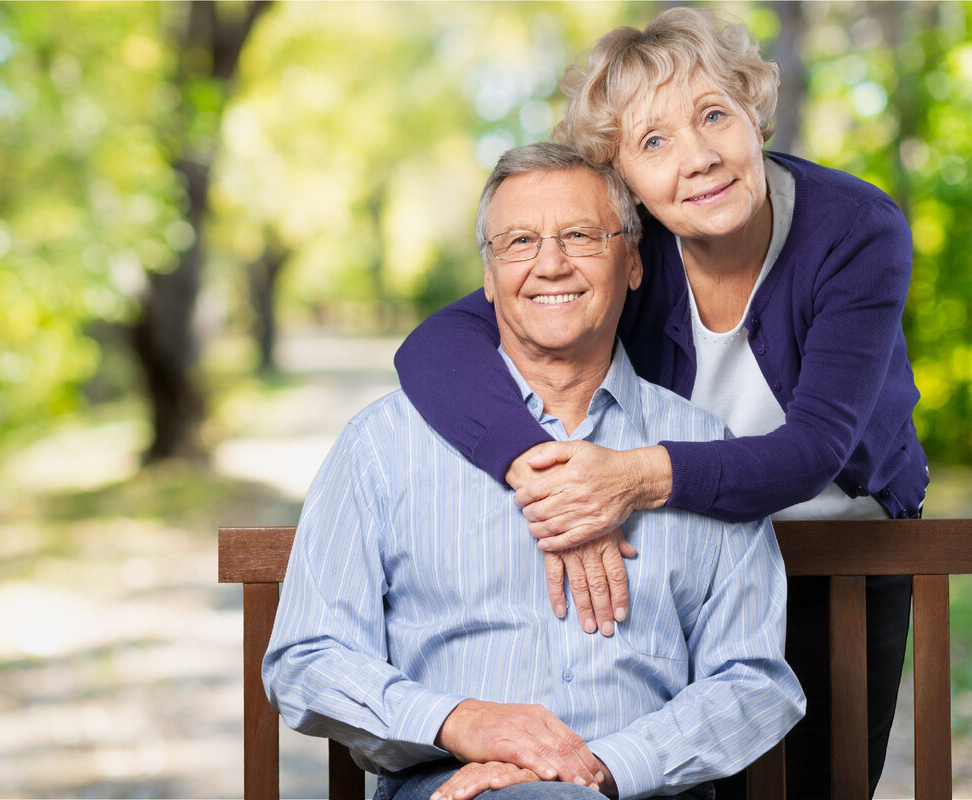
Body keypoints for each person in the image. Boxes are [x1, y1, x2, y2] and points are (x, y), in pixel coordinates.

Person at [393, 8, 925, 798]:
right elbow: (433, 346)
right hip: (691, 571)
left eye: (715, 115)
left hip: (838, 561)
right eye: (653, 143)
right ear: (623, 182)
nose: (699, 158)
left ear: (753, 112)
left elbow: (815, 448)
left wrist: (628, 478)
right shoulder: (625, 248)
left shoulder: (855, 231)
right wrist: (544, 474)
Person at [264, 142, 804, 800]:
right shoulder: (386, 444)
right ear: (488, 277)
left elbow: (753, 680)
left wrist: (602, 767)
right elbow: (307, 657)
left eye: (580, 235)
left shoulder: (700, 448)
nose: (550, 264)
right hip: (452, 786)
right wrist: (460, 722)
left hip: (639, 789)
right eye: (520, 241)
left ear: (633, 263)